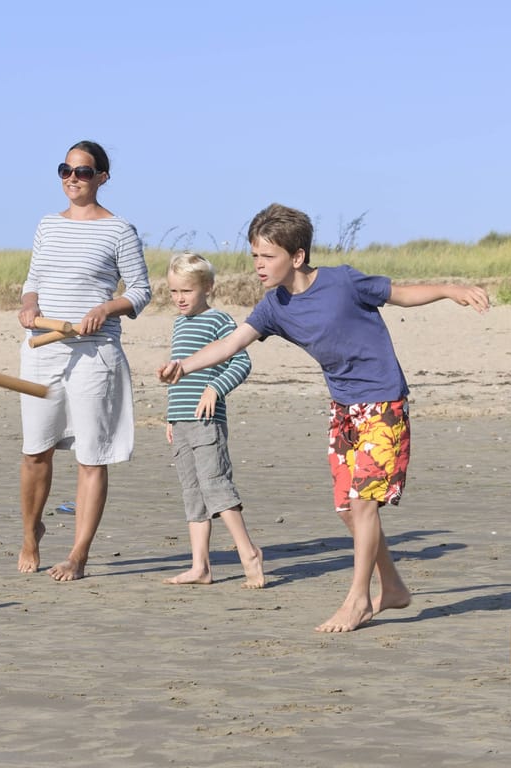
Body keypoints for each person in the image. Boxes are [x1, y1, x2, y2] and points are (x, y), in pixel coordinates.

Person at [158, 203, 491, 631]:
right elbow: (230, 345)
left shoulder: (343, 281)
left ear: (296, 257)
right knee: (347, 511)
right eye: (255, 256)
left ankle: (358, 600)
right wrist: (184, 367)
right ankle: (391, 587)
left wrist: (449, 289)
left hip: (382, 402)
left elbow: (401, 293)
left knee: (363, 505)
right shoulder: (273, 306)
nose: (259, 265)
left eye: (268, 256)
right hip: (343, 409)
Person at [16, 140, 151, 581]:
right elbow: (33, 280)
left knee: (92, 457)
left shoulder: (120, 230)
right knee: (36, 452)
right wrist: (28, 305)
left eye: (84, 172)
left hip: (96, 355)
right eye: (66, 170)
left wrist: (105, 309)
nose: (73, 178)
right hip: (42, 349)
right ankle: (31, 536)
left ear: (103, 178)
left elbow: (140, 292)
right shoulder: (46, 225)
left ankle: (78, 554)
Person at [162, 252, 264, 588]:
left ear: (207, 287)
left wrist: (215, 389)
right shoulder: (179, 324)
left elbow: (240, 363)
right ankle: (200, 566)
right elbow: (180, 375)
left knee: (215, 485)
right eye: (174, 291)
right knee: (193, 493)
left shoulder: (219, 320)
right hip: (182, 421)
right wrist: (170, 417)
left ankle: (248, 552)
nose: (179, 298)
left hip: (207, 422)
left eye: (186, 291)